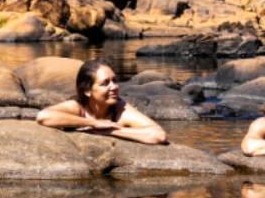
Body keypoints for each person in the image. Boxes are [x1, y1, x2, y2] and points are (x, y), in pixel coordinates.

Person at [36, 59, 168, 145]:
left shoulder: (120, 109)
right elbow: (43, 117)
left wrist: (110, 131)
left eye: (114, 81)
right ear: (87, 91)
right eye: (105, 83)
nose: (114, 87)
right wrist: (94, 123)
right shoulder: (77, 106)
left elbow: (159, 135)